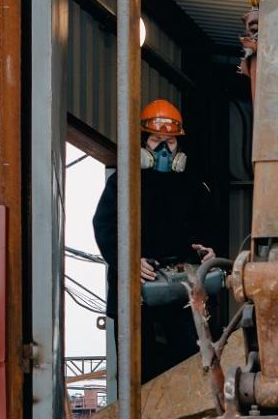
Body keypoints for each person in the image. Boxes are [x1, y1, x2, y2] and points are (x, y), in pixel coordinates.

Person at [92, 99, 225, 377]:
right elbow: (104, 226)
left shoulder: (194, 185)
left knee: (189, 370)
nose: (164, 149)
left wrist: (209, 250)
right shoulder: (122, 183)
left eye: (171, 142)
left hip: (182, 295)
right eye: (155, 140)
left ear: (179, 147)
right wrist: (126, 261)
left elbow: (211, 226)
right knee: (139, 373)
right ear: (143, 143)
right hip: (136, 294)